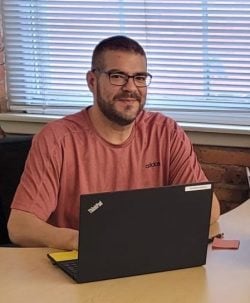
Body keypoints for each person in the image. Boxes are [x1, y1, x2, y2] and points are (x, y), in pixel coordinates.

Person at [7, 36, 220, 250]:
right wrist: (83, 242)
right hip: (79, 261)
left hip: (146, 257)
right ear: (92, 81)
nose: (130, 88)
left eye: (139, 77)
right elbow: (21, 226)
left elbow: (208, 209)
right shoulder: (56, 139)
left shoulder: (166, 132)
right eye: (117, 76)